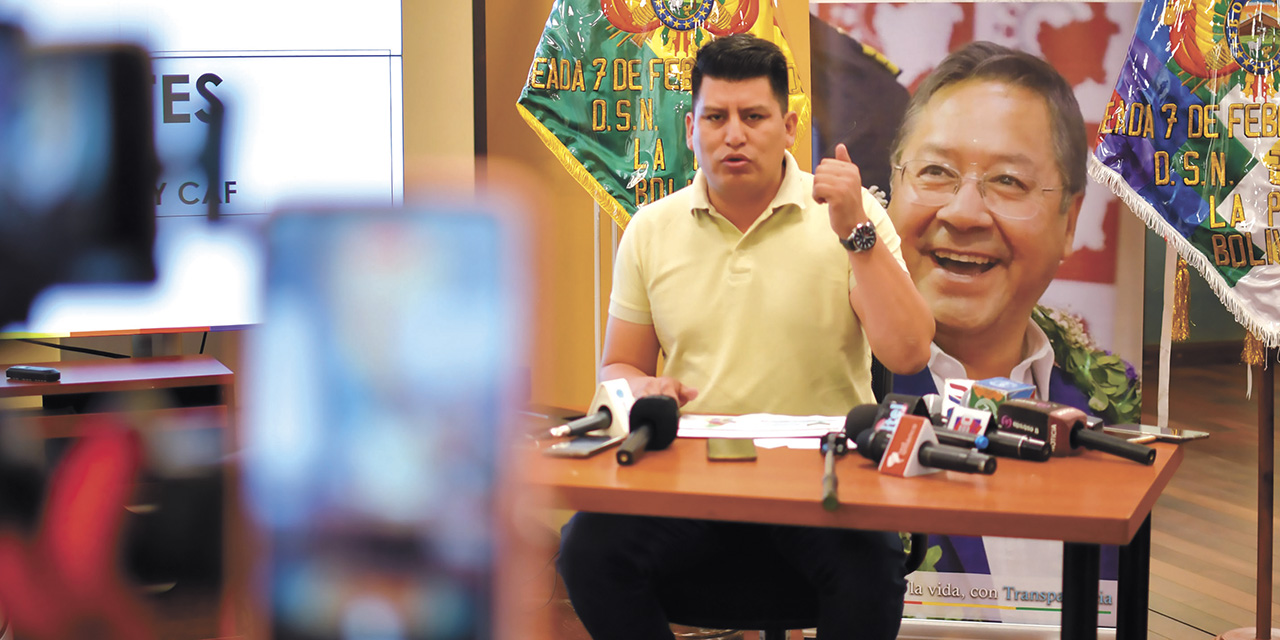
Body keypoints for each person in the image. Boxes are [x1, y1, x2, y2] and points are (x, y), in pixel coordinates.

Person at [556, 33, 934, 640]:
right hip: (689, 480)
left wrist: (855, 232)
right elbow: (618, 370)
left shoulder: (851, 214)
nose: (734, 134)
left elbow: (909, 352)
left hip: (820, 480)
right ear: (690, 129)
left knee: (873, 565)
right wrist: (642, 385)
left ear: (788, 126)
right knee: (587, 550)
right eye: (716, 117)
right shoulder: (650, 230)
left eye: (753, 117)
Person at [884, 41, 1132, 581]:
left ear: (1070, 223)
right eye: (935, 172)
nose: (963, 212)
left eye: (1008, 182)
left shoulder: (1105, 402)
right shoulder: (829, 390)